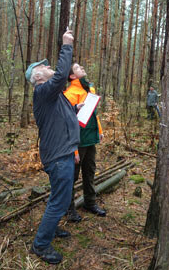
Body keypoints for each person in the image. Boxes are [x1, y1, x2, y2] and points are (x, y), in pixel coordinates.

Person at [25, 30, 83, 265]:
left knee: (60, 196)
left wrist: (74, 150)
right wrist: (66, 45)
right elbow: (60, 77)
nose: (51, 68)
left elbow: (66, 116)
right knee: (59, 200)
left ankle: (52, 227)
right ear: (39, 76)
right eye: (46, 67)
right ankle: (40, 244)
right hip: (58, 156)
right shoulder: (42, 91)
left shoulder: (54, 95)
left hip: (64, 152)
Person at [64, 63, 106, 222]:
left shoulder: (89, 90)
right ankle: (68, 209)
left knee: (89, 172)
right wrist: (74, 150)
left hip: (90, 139)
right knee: (72, 176)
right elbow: (67, 125)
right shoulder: (70, 94)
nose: (81, 67)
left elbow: (93, 114)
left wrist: (99, 131)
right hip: (76, 143)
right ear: (72, 76)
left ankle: (90, 202)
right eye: (77, 68)